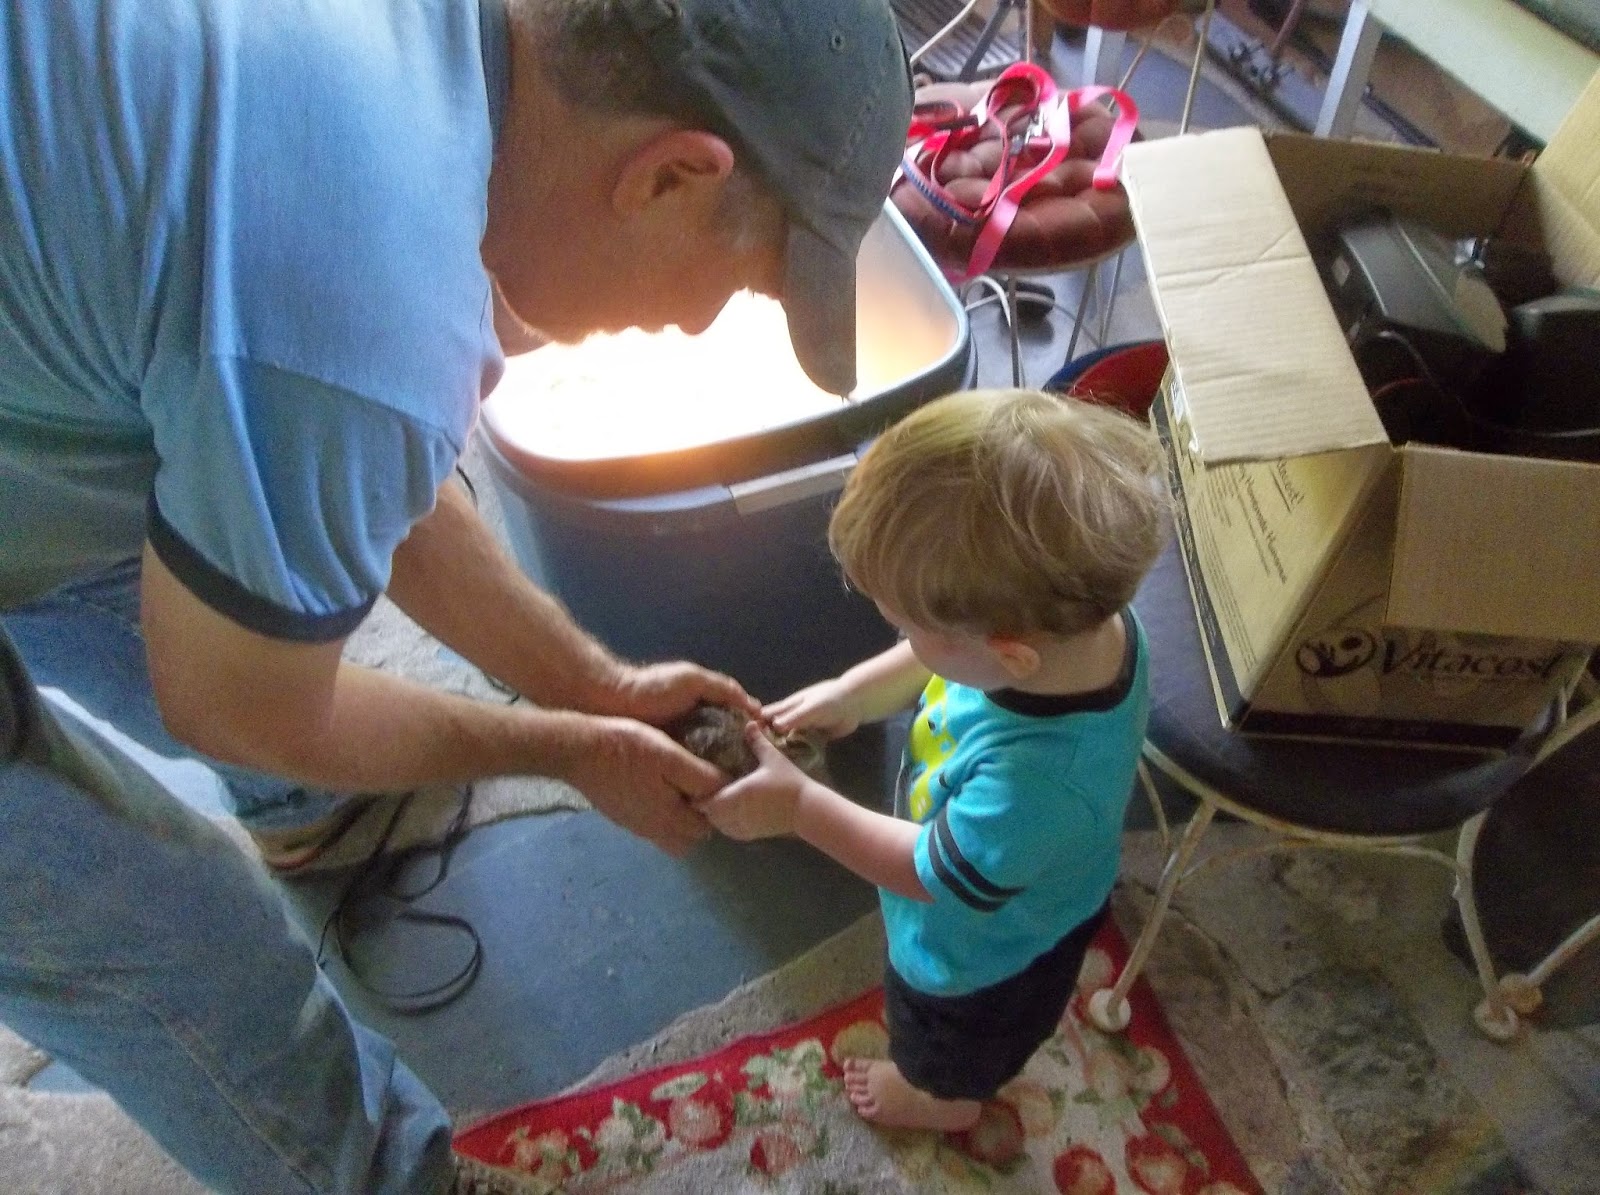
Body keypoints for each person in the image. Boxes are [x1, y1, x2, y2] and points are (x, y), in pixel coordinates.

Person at [0, 0, 912, 1190]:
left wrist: (596, 685)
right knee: (173, 932)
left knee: (233, 508)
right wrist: (568, 749)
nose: (698, 321)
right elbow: (234, 700)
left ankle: (304, 805)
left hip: (44, 359)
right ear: (670, 175)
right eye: (741, 283)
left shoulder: (426, 69)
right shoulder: (365, 297)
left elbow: (365, 458)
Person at [698, 388, 1167, 1132]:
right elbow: (938, 657)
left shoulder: (1035, 789)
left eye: (908, 627)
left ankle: (943, 1100)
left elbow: (926, 873)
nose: (905, 641)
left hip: (985, 957)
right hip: (1025, 871)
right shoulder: (1072, 625)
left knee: (949, 1043)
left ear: (1010, 655)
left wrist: (798, 807)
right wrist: (855, 692)